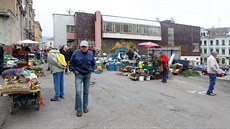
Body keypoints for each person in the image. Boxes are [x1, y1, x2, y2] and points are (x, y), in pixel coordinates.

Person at [70, 40, 95, 117]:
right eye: (82, 46)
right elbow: (71, 63)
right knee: (78, 92)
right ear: (80, 47)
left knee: (86, 91)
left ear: (88, 47)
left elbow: (94, 64)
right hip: (79, 75)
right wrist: (74, 70)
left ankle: (85, 107)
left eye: (85, 46)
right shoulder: (76, 53)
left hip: (87, 75)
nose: (84, 48)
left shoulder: (91, 54)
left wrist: (91, 70)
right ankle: (79, 109)